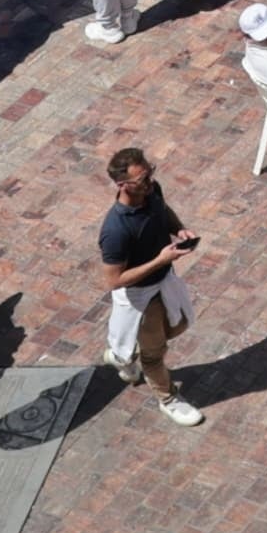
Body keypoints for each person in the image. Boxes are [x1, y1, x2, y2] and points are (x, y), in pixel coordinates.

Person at [91, 143, 208, 428]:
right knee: (154, 353)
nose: (150, 182)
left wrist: (178, 229)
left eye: (150, 173)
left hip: (163, 280)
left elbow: (163, 211)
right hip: (140, 296)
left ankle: (121, 356)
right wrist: (160, 260)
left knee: (178, 325)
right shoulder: (116, 230)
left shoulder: (151, 191)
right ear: (122, 185)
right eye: (142, 179)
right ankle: (168, 398)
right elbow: (113, 280)